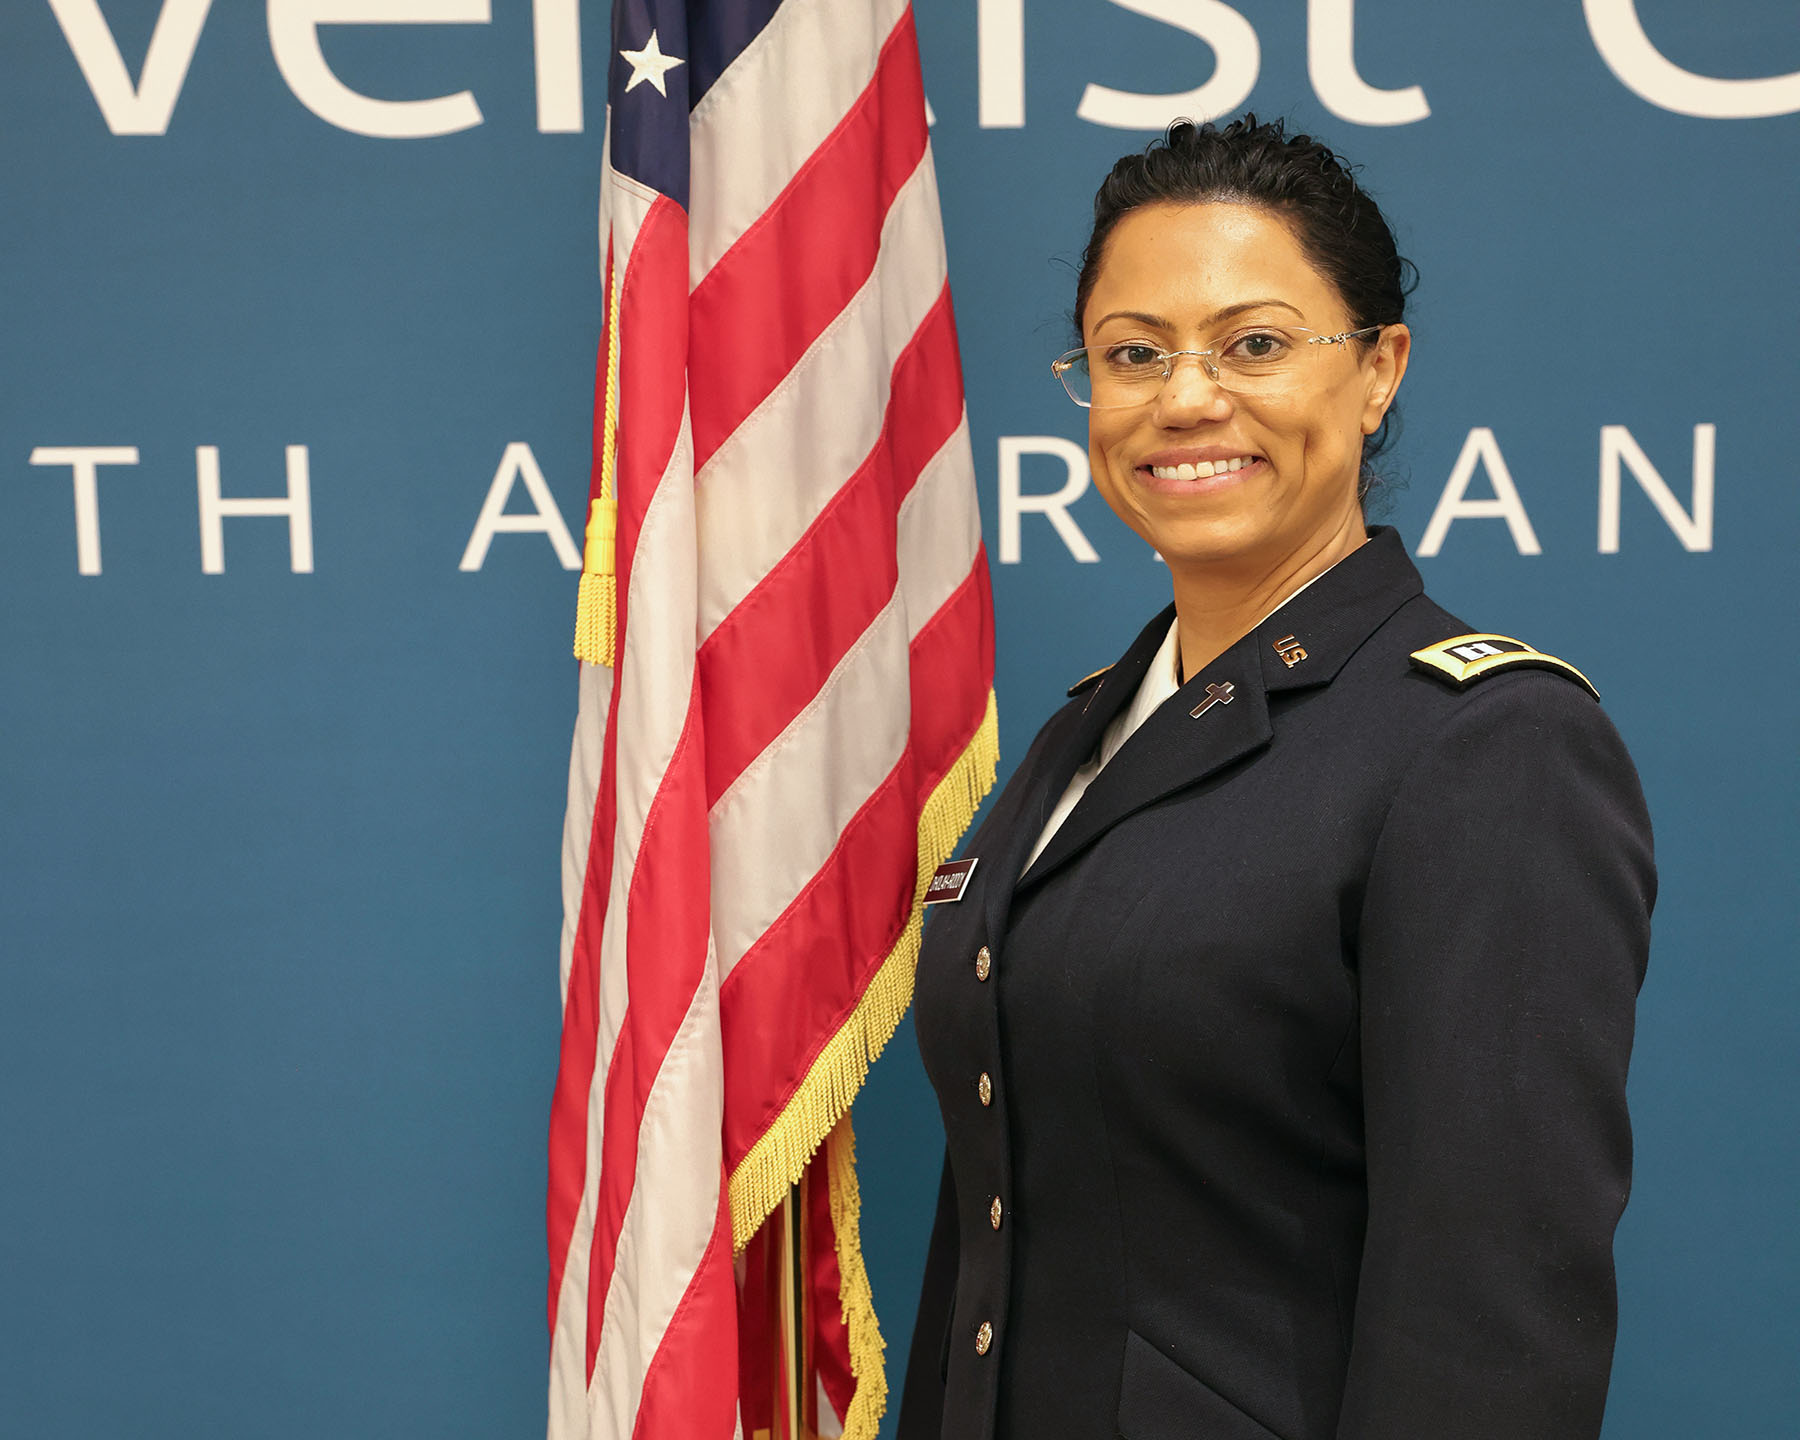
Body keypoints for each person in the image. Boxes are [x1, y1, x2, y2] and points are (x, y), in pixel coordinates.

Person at [896, 116, 1655, 1440]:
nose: (1185, 399)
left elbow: (1492, 1325)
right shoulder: (1084, 736)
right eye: (1134, 355)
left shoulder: (1482, 746)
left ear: (1378, 370)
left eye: (1254, 343)